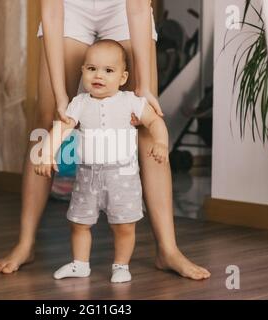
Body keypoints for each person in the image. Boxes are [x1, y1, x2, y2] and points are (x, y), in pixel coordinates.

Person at [0, 0, 211, 280]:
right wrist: (61, 96)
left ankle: (168, 249)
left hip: (123, 8)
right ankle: (25, 243)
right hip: (69, 8)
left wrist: (143, 85)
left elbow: (138, 8)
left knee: (146, 118)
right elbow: (52, 10)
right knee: (47, 118)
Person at [34, 40, 169, 283]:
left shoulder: (131, 101)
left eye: (108, 71)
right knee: (79, 222)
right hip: (87, 175)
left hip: (123, 177)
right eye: (91, 69)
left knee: (124, 225)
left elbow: (155, 122)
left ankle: (121, 265)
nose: (99, 75)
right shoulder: (79, 103)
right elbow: (61, 129)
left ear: (123, 76)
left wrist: (160, 142)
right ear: (83, 71)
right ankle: (80, 264)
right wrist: (46, 152)